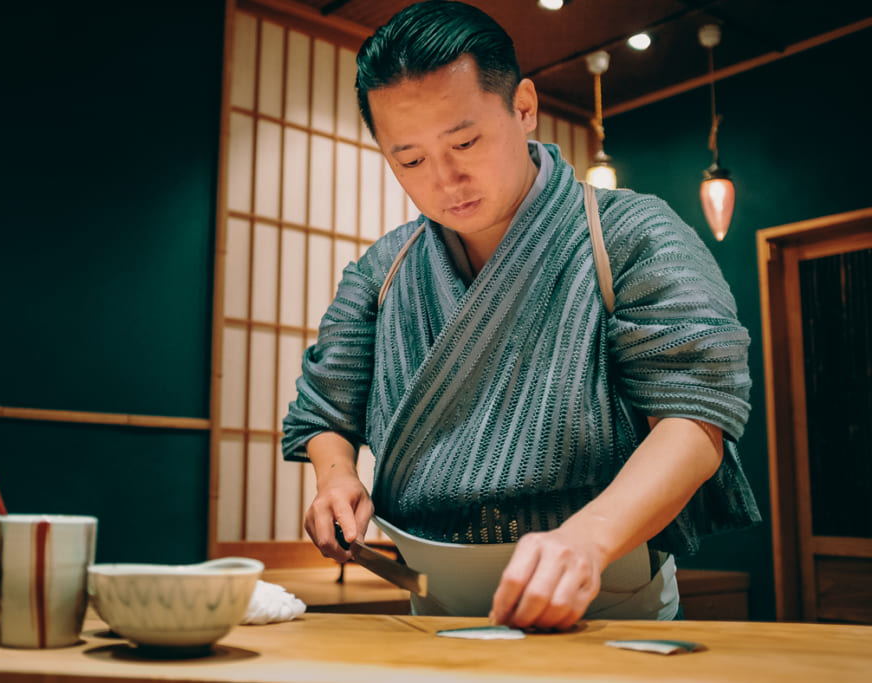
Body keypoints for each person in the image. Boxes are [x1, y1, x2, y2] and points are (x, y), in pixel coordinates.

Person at [281, 0, 759, 631]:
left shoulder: (629, 234)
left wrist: (588, 538)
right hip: (432, 603)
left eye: (466, 140)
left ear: (524, 107)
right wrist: (336, 476)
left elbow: (696, 414)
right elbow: (326, 405)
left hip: (606, 597)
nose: (446, 179)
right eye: (411, 161)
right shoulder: (383, 271)